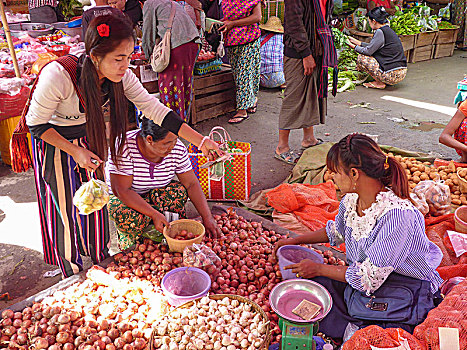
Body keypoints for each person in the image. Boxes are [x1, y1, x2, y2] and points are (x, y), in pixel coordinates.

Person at [22, 15, 221, 278]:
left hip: (87, 138)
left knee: (96, 202)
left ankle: (100, 262)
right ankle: (71, 274)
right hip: (53, 140)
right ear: (95, 56)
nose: (125, 65)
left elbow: (156, 110)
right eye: (119, 58)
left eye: (129, 56)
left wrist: (202, 141)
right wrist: (74, 151)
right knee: (64, 209)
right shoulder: (59, 75)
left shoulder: (122, 77)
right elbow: (34, 125)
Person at [274, 133, 443, 339]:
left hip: (402, 289)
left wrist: (318, 267)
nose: (332, 178)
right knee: (314, 286)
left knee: (371, 331)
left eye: (335, 172)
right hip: (370, 279)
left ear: (354, 173)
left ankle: (354, 330)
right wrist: (294, 240)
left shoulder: (398, 216)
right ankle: (349, 320)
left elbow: (367, 280)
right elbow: (336, 231)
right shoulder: (351, 201)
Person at [107, 118, 221, 250]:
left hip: (156, 193)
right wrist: (153, 214)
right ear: (149, 139)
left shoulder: (177, 148)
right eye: (167, 143)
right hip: (126, 197)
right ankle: (133, 240)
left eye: (174, 140)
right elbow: (122, 190)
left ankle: (165, 230)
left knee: (178, 192)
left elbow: (191, 184)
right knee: (127, 216)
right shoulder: (124, 146)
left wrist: (207, 217)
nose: (172, 146)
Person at [274, 0, 337, 164]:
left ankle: (309, 139)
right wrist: (305, 54)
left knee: (312, 95)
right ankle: (282, 147)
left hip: (316, 49)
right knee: (294, 98)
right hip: (298, 53)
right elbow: (294, 24)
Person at [143, 0, 200, 122]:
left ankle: (173, 126)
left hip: (177, 46)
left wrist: (148, 57)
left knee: (168, 86)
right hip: (193, 43)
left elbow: (148, 33)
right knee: (184, 84)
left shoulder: (149, 3)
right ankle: (183, 120)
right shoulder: (169, 2)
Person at [220, 0, 261, 124]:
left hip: (249, 39)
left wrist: (233, 23)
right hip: (233, 40)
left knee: (244, 74)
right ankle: (251, 101)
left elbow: (257, 17)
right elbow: (231, 16)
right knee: (241, 73)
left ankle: (242, 110)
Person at [347, 7, 407, 90]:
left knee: (362, 57)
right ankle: (384, 80)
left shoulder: (380, 31)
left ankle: (380, 83)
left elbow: (368, 51)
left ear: (374, 21)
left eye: (369, 22)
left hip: (392, 75)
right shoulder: (387, 30)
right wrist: (357, 42)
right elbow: (373, 46)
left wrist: (352, 46)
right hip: (400, 73)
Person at [259, 16, 286, 89]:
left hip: (261, 80)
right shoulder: (283, 38)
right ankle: (281, 84)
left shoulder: (261, 39)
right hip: (279, 79)